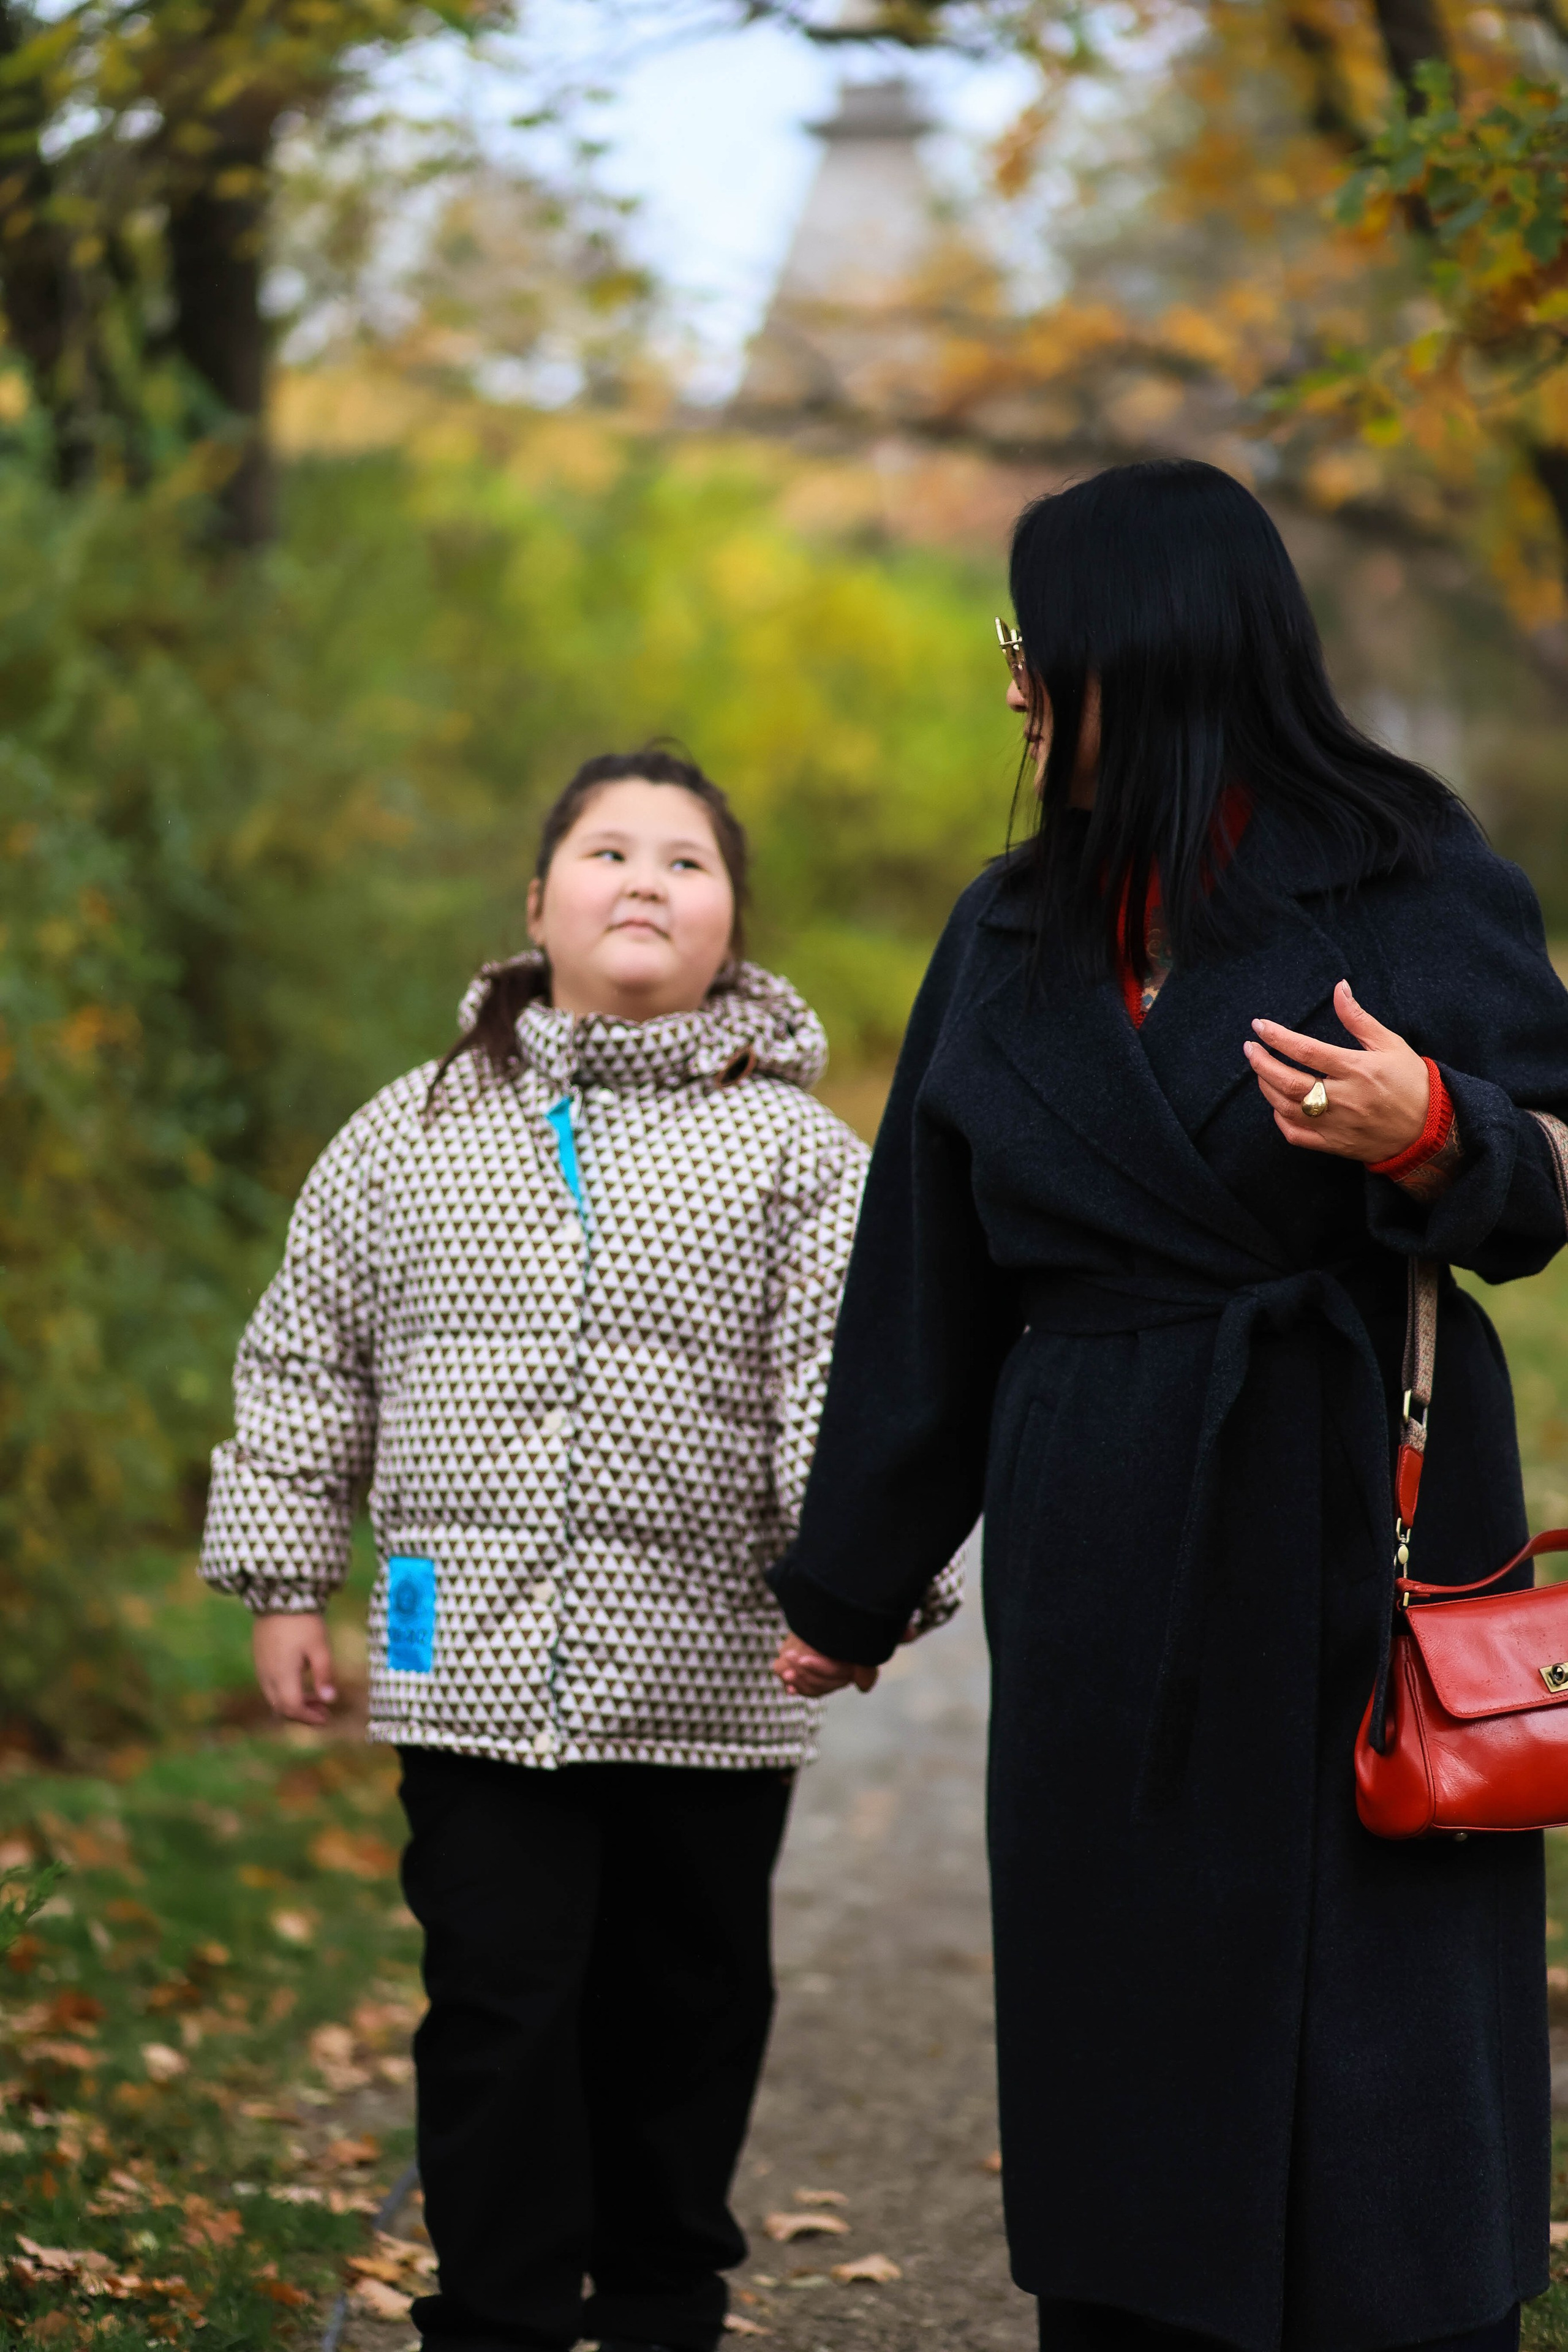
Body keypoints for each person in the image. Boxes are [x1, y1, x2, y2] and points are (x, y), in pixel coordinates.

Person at [768, 460, 1568, 2352]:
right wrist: (847, 1582)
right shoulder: (1011, 928)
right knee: (1124, 2022)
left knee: (1376, 2033)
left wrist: (1436, 1130)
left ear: (1143, 647)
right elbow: (927, 1278)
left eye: (1033, 643)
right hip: (1108, 1531)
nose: (1015, 683)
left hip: (1354, 1502)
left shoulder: (1412, 872)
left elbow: (1555, 1167)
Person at [199, 746, 960, 2352]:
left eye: (685, 862)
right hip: (460, 1663)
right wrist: (285, 1576)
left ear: (732, 925)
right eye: (605, 852)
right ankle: (499, 2314)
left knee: (685, 2013)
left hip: (710, 1679)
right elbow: (306, 1352)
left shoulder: (799, 1158)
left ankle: (663, 2296)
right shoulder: (407, 1134)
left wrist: (863, 1588)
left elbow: (857, 1389)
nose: (643, 880)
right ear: (535, 903)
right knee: (499, 2004)